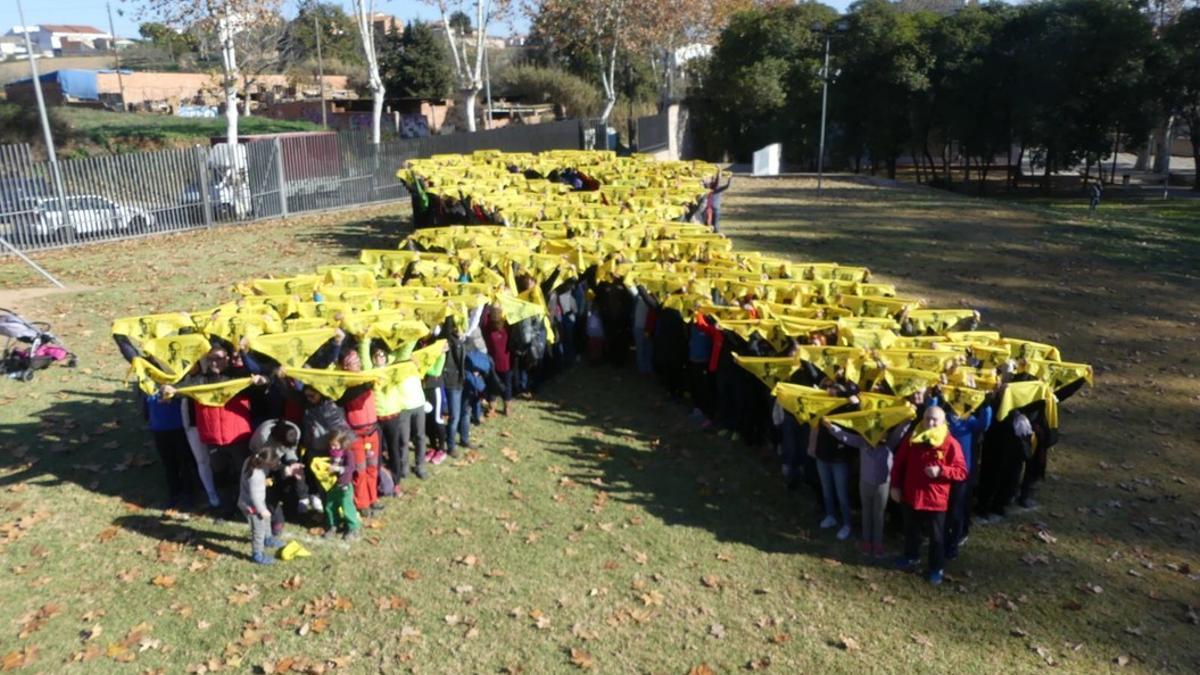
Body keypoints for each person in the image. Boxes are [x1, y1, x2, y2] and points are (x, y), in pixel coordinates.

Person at [891, 406, 967, 585]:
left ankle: (936, 568)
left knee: (936, 537)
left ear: (943, 422)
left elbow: (962, 472)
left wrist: (941, 470)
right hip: (911, 496)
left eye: (935, 420)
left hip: (935, 500)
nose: (930, 423)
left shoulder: (950, 443)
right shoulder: (913, 438)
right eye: (927, 419)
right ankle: (911, 557)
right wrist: (895, 486)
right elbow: (899, 462)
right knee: (911, 531)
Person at [823, 415, 912, 558]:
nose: (877, 436)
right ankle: (866, 542)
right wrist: (831, 427)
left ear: (885, 434)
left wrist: (908, 418)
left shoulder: (889, 444)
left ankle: (877, 544)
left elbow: (900, 431)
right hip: (865, 484)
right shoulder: (862, 443)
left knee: (878, 515)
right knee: (866, 513)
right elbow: (844, 436)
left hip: (883, 486)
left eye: (881, 432)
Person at [238, 446, 283, 565]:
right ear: (266, 464)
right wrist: (262, 510)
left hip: (255, 501)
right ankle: (257, 554)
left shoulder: (250, 460)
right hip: (252, 507)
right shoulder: (256, 476)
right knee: (258, 531)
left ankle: (268, 539)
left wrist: (264, 483)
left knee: (266, 521)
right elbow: (255, 496)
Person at [322, 430, 362, 540]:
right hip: (332, 485)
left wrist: (338, 468)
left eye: (335, 445)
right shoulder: (332, 453)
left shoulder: (348, 453)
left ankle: (353, 528)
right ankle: (333, 524)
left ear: (343, 443)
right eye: (331, 445)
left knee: (347, 506)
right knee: (330, 506)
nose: (333, 448)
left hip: (344, 485)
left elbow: (351, 468)